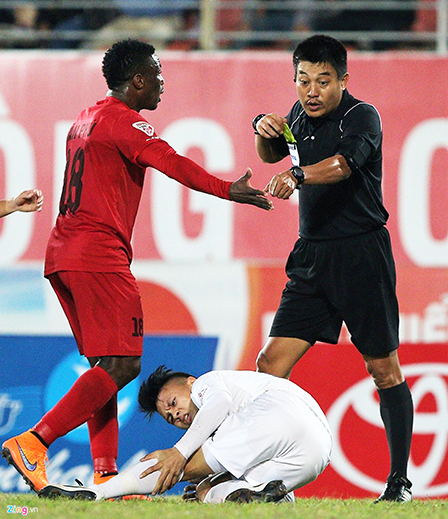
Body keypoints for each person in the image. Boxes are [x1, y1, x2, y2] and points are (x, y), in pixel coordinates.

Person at [1, 39, 272, 495]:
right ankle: (35, 442)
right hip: (98, 255)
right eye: (158, 76)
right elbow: (173, 163)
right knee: (124, 364)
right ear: (139, 80)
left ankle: (105, 475)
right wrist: (228, 190)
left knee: (103, 368)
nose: (163, 84)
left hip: (63, 253)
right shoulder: (126, 122)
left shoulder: (84, 119)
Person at [252, 35, 413, 503]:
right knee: (269, 366)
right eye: (303, 80)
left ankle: (398, 483)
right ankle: (269, 478)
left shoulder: (362, 116)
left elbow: (343, 166)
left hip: (361, 255)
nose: (312, 90)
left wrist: (298, 175)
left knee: (382, 369)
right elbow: (272, 155)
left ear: (343, 79)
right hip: (312, 257)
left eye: (322, 81)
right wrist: (263, 129)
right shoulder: (299, 115)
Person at [37, 365, 333, 503]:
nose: (176, 415)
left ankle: (97, 492)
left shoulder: (207, 382)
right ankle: (261, 499)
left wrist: (179, 452)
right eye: (170, 418)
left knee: (177, 467)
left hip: (279, 411)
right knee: (209, 491)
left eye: (173, 403)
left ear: (190, 382)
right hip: (318, 451)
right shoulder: (229, 424)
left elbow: (219, 403)